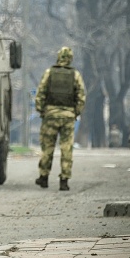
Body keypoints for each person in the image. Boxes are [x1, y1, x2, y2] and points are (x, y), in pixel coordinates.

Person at [34, 46, 86, 191]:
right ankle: (64, 180)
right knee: (66, 148)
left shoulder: (49, 73)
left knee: (47, 147)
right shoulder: (75, 75)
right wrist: (75, 112)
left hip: (50, 115)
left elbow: (40, 94)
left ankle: (43, 177)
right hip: (68, 116)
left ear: (58, 57)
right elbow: (81, 97)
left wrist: (42, 111)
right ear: (70, 59)